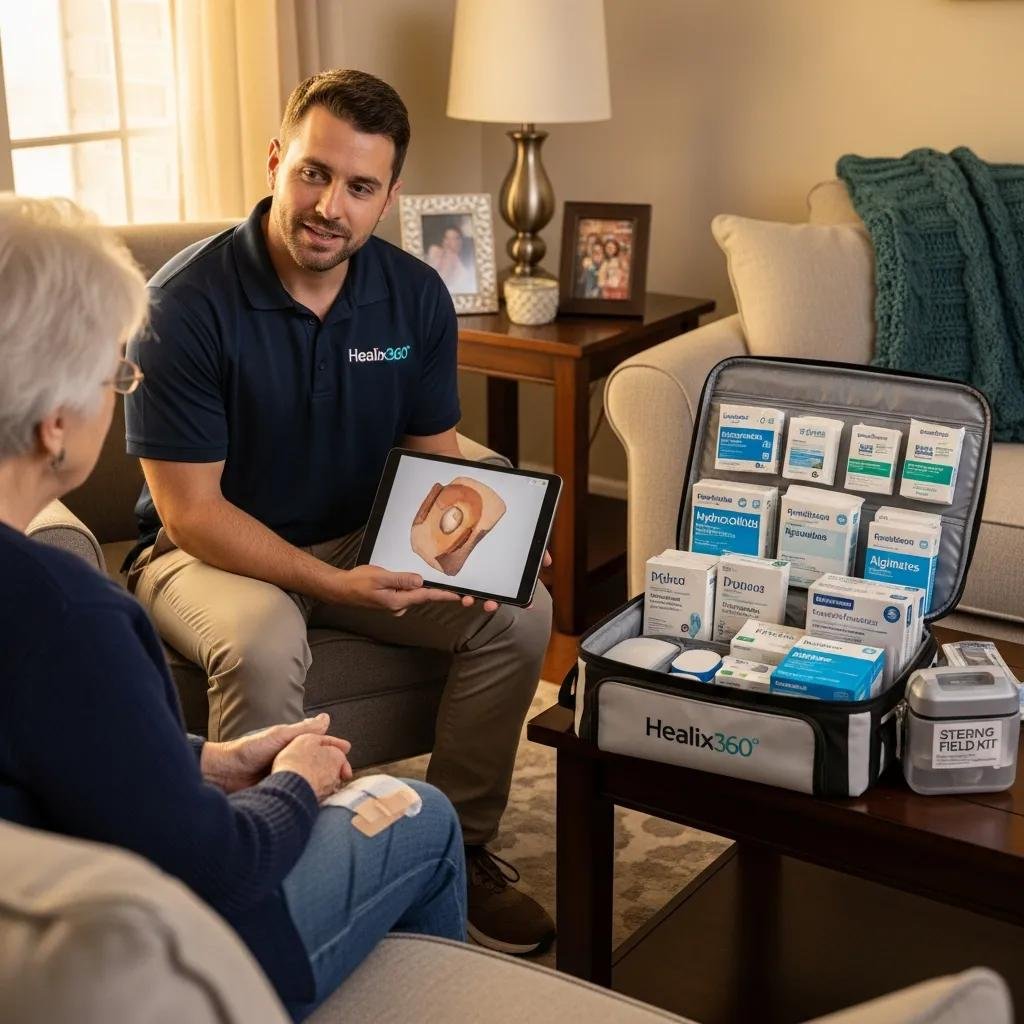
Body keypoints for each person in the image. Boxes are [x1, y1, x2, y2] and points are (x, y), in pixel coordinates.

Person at [0, 195, 466, 1021]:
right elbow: (216, 867)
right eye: (115, 373)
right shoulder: (69, 614)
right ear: (53, 427)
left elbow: (54, 744)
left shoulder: (46, 620)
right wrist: (291, 781)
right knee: (420, 814)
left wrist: (208, 762)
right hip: (151, 968)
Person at [122, 69, 555, 954]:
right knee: (264, 638)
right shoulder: (184, 305)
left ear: (390, 197)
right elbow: (193, 511)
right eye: (314, 173)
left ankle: (461, 851)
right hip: (204, 552)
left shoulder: (413, 296)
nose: (330, 206)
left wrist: (491, 541)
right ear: (277, 161)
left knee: (520, 615)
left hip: (363, 534)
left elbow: (440, 462)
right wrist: (339, 585)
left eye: (360, 187)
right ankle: (257, 878)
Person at [426, 223, 476, 294]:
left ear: (460, 242)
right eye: (446, 238)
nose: (449, 242)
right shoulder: (434, 251)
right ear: (442, 240)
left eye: (454, 238)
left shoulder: (464, 267)